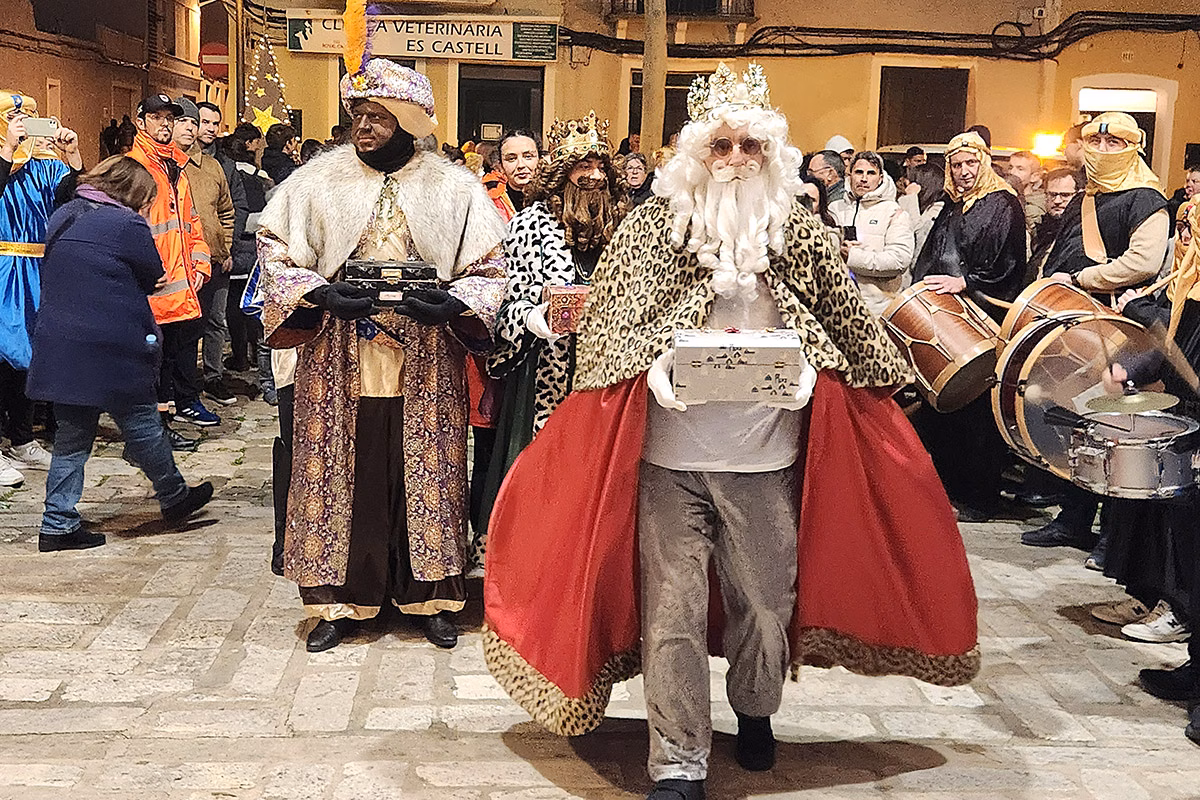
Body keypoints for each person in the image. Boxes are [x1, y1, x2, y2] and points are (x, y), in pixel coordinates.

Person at [482, 63, 980, 800]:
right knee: (672, 613)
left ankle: (753, 708)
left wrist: (816, 368)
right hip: (667, 459)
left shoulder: (802, 234)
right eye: (722, 147)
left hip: (768, 459)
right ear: (695, 155)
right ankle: (678, 760)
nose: (737, 160)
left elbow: (848, 330)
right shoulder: (649, 231)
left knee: (763, 605)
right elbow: (610, 335)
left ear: (772, 154)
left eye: (751, 145)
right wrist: (648, 368)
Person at [254, 58, 507, 652]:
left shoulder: (454, 187)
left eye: (378, 117)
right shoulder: (316, 182)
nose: (363, 127)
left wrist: (455, 304)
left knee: (428, 471)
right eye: (358, 116)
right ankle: (341, 601)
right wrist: (318, 291)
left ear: (409, 122)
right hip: (338, 353)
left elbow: (491, 268)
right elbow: (274, 251)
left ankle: (430, 597)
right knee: (346, 470)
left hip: (425, 357)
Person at [26, 155, 214, 552]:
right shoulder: (126, 223)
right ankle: (174, 495)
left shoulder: (66, 213)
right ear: (132, 192)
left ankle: (56, 523)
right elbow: (154, 274)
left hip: (62, 345)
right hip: (113, 347)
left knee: (72, 438)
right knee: (144, 424)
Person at [1024, 113, 1171, 576]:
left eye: (1114, 141)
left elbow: (1143, 262)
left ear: (1134, 146)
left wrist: (1085, 278)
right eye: (1095, 139)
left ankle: (1113, 537)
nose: (1103, 148)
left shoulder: (1147, 198)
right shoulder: (1089, 194)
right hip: (1078, 321)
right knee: (1075, 421)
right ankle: (1073, 516)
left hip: (1118, 324)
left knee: (1111, 427)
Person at [479, 112, 629, 554]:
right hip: (543, 372)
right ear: (564, 174)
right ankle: (529, 560)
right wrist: (532, 318)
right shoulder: (529, 226)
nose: (594, 176)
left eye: (600, 166)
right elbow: (504, 299)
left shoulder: (623, 228)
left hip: (605, 375)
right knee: (539, 474)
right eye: (583, 167)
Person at [1100, 203, 1200, 742]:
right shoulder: (1191, 283)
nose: (1184, 237)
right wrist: (1130, 366)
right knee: (1190, 561)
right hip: (1191, 435)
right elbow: (1166, 338)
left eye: (1192, 228)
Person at [911, 131, 1027, 522]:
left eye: (970, 164)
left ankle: (978, 498)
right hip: (947, 314)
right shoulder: (952, 205)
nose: (962, 172)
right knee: (944, 408)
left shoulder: (1003, 203)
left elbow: (1009, 263)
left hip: (982, 316)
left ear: (985, 163)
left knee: (976, 408)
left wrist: (967, 284)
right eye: (956, 165)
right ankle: (945, 490)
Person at [0, 90, 83, 488]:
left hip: (36, 267)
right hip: (3, 268)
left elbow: (76, 197)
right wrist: (7, 150)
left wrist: (73, 157)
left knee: (30, 356)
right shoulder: (6, 166)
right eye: (16, 118)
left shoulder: (43, 167)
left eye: (30, 117)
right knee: (3, 353)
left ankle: (21, 437)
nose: (25, 124)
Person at [127, 94, 212, 452]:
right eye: (157, 117)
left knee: (165, 362)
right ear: (140, 121)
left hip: (177, 286)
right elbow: (127, 227)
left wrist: (200, 262)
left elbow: (191, 223)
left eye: (169, 118)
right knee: (146, 363)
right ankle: (144, 436)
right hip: (149, 287)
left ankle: (159, 429)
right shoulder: (134, 167)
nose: (165, 124)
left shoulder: (176, 168)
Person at [178, 99, 245, 411]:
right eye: (194, 122)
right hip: (181, 263)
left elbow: (229, 211)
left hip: (215, 259)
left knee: (214, 321)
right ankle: (183, 386)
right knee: (185, 327)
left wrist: (226, 246)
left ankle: (212, 376)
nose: (200, 129)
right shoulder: (172, 166)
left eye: (205, 124)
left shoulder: (218, 166)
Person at [828, 150, 915, 314]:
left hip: (877, 310)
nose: (864, 179)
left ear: (880, 178)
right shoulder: (834, 209)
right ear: (850, 175)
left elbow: (899, 259)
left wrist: (853, 257)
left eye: (871, 173)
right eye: (859, 172)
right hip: (836, 306)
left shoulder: (894, 212)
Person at [225, 126, 274, 403]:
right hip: (254, 243)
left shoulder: (227, 173)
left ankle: (240, 356)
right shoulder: (260, 178)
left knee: (235, 302)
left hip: (235, 242)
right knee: (256, 303)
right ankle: (258, 359)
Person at [1028, 167, 1083, 276]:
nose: (1057, 201)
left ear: (1079, 195)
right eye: (1052, 195)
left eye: (1065, 195)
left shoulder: (1082, 232)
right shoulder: (1042, 230)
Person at [898, 161, 946, 264]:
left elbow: (916, 232)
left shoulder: (938, 210)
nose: (907, 184)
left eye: (911, 181)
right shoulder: (923, 207)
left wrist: (910, 197)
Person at [491, 129, 540, 219]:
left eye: (528, 157)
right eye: (511, 159)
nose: (520, 165)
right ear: (500, 165)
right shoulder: (490, 202)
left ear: (540, 160)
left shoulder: (553, 200)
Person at [1008, 150, 1047, 232]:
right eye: (1010, 167)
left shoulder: (1036, 207)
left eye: (1020, 169)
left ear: (1034, 176)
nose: (1012, 172)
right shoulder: (1005, 198)